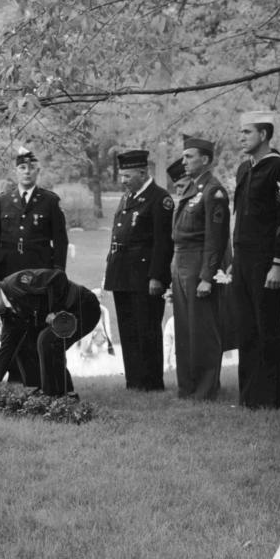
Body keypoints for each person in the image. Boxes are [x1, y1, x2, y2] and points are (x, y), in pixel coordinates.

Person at [231, 111, 280, 409]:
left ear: (264, 135)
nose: (241, 137)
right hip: (243, 258)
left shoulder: (279, 170)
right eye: (241, 132)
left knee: (266, 327)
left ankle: (269, 398)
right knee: (246, 327)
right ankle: (248, 396)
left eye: (247, 132)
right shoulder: (245, 169)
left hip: (265, 259)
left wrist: (278, 262)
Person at [0, 148, 69, 386]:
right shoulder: (4, 200)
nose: (26, 172)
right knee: (12, 327)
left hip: (39, 279)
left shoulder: (49, 200)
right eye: (22, 168)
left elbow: (61, 241)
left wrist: (58, 274)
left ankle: (39, 379)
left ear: (38, 171)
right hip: (10, 276)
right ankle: (15, 377)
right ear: (16, 171)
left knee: (37, 327)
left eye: (31, 168)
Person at [102, 149, 173, 390]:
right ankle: (134, 381)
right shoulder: (128, 197)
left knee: (147, 329)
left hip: (144, 276)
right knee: (128, 329)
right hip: (122, 274)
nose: (123, 181)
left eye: (127, 176)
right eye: (122, 176)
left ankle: (152, 382)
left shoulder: (159, 198)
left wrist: (157, 276)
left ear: (143, 173)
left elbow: (163, 243)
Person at [0, 269, 100, 397]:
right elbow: (8, 348)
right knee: (31, 342)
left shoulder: (18, 283)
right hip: (63, 318)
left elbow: (58, 277)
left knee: (47, 341)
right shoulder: (8, 314)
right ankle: (55, 391)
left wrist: (54, 310)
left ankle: (54, 395)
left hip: (84, 306)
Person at [171, 136, 229, 400]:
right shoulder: (191, 188)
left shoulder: (213, 191)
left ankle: (205, 389)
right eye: (183, 157)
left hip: (199, 264)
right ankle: (187, 387)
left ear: (205, 160)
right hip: (182, 262)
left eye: (189, 156)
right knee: (184, 330)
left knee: (203, 330)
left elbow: (215, 239)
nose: (183, 162)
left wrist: (207, 277)